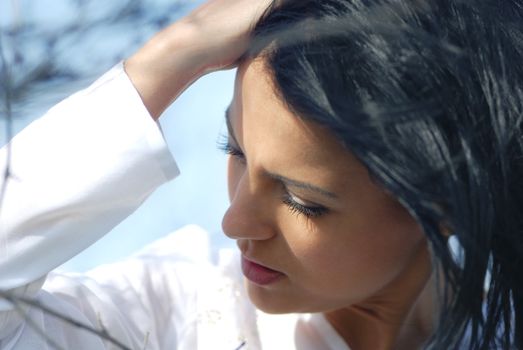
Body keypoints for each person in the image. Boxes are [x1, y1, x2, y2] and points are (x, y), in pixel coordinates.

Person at [0, 0, 521, 349]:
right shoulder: (169, 319)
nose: (235, 221)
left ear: (446, 204)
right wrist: (172, 55)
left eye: (301, 199)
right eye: (236, 150)